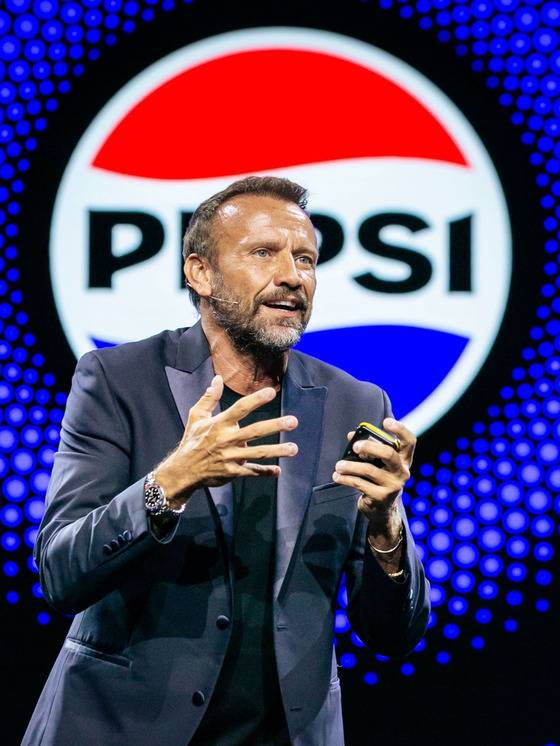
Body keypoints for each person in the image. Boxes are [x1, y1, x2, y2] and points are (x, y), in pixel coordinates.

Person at [23, 176, 429, 746]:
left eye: (306, 259)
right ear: (201, 273)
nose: (292, 276)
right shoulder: (117, 381)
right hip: (125, 728)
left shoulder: (356, 404)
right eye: (263, 253)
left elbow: (393, 634)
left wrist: (387, 527)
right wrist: (170, 482)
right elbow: (61, 573)